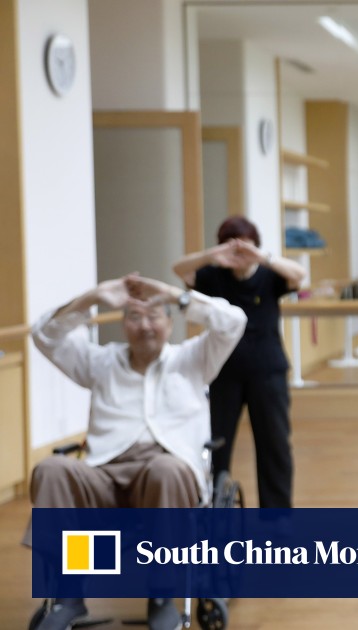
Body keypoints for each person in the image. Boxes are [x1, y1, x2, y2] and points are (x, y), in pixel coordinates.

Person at [25, 274, 246, 630]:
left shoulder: (194, 358)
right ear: (122, 325)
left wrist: (174, 294)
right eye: (134, 317)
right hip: (105, 473)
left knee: (165, 469)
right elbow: (44, 335)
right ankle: (69, 594)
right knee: (52, 469)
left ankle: (161, 594)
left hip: (167, 470)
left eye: (154, 315)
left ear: (170, 323)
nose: (145, 326)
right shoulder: (101, 362)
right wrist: (92, 297)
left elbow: (234, 321)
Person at [172, 217, 306, 508]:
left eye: (246, 245)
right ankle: (215, 506)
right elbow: (179, 269)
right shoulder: (213, 276)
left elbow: (299, 275)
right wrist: (213, 255)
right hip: (223, 372)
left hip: (268, 371)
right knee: (216, 443)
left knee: (274, 444)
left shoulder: (269, 276)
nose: (239, 253)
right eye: (232, 247)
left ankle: (277, 516)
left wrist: (261, 257)